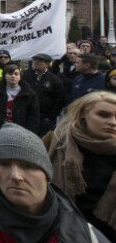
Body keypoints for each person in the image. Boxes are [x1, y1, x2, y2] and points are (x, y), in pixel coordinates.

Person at [0, 123, 111, 243]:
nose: (15, 176)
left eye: (28, 166)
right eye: (4, 165)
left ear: (46, 174)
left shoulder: (80, 232)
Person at [44, 91, 116, 240]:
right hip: (60, 233)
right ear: (83, 114)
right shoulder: (55, 143)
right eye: (103, 115)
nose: (113, 122)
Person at [0, 63, 39, 133]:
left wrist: (30, 131)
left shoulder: (29, 93)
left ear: (20, 76)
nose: (13, 76)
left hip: (21, 130)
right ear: (4, 76)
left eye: (16, 74)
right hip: (0, 129)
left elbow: (34, 115)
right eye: (10, 74)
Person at [22, 52, 65, 136]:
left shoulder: (54, 80)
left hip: (44, 119)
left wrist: (50, 118)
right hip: (28, 116)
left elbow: (59, 100)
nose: (36, 63)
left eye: (40, 61)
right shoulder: (26, 75)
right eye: (34, 60)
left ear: (47, 64)